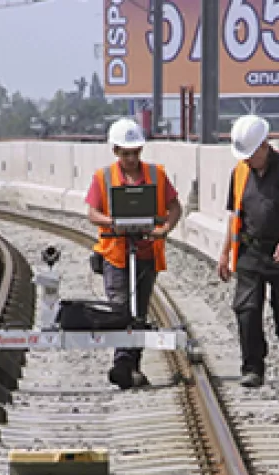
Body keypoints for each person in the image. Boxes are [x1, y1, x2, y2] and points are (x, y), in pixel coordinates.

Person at [216, 115, 279, 388]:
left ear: (263, 146)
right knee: (246, 309)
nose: (247, 161)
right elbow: (234, 216)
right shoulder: (239, 173)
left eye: (250, 155)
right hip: (250, 250)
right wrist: (224, 254)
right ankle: (252, 368)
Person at [85, 118, 182, 389]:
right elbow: (92, 212)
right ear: (115, 151)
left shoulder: (156, 174)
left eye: (135, 152)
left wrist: (164, 229)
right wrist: (111, 222)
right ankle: (123, 365)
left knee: (139, 311)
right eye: (125, 153)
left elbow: (175, 207)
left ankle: (129, 367)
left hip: (145, 252)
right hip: (114, 253)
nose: (131, 158)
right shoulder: (102, 177)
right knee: (120, 309)